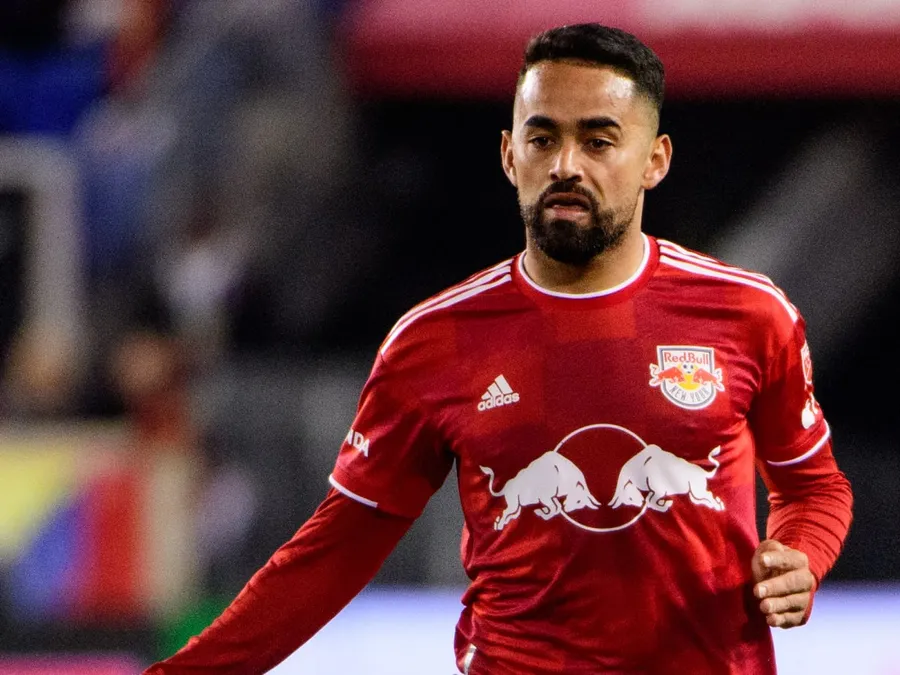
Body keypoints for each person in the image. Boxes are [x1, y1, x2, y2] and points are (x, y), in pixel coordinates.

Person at [143, 23, 853, 674]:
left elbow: (814, 487)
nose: (566, 164)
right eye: (543, 139)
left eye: (599, 141)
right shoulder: (434, 341)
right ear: (510, 156)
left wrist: (800, 556)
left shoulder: (747, 314)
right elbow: (335, 551)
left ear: (654, 160)